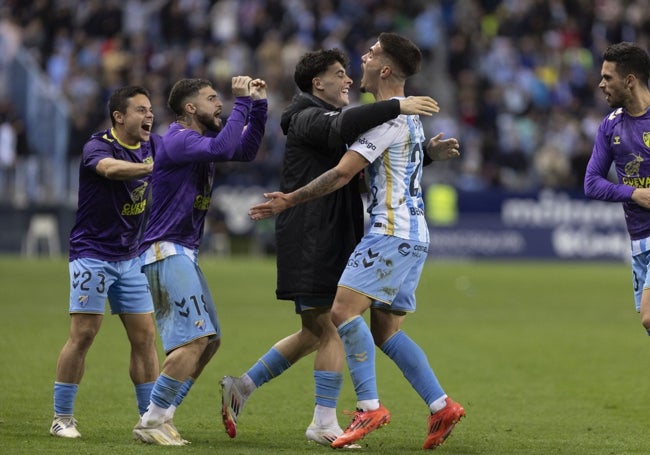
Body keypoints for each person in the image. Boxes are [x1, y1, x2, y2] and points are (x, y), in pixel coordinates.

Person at [248, 32, 465, 450]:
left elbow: (342, 174)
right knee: (387, 333)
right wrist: (430, 155)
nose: (360, 60)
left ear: (384, 70)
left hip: (389, 234)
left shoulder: (385, 118)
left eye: (371, 54)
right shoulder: (410, 118)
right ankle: (440, 405)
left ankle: (369, 406)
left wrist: (290, 199)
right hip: (416, 236)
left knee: (341, 312)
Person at [132, 76, 268, 445]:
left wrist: (258, 106)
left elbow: (243, 151)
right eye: (212, 99)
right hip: (167, 249)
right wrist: (241, 101)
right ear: (190, 108)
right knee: (195, 340)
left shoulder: (196, 142)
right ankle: (151, 420)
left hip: (183, 252)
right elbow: (227, 147)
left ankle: (165, 414)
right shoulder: (177, 138)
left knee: (210, 341)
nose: (219, 103)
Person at [50, 86, 159, 439]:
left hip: (132, 257)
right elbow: (109, 170)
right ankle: (62, 417)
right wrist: (150, 168)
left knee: (145, 338)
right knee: (83, 335)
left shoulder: (152, 145)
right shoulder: (99, 146)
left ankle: (150, 420)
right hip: (92, 255)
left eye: (150, 110)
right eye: (141, 110)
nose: (149, 116)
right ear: (119, 116)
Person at [585, 42, 650, 333]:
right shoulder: (610, 126)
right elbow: (592, 183)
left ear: (630, 80)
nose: (601, 84)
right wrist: (633, 193)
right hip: (638, 242)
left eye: (607, 77)